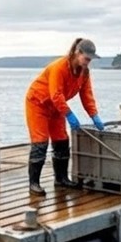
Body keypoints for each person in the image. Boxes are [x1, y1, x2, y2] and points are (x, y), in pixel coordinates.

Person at [24, 37, 105, 195]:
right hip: (38, 103)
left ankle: (61, 179)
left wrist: (94, 115)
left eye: (90, 60)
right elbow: (56, 94)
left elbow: (87, 95)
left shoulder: (84, 72)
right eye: (86, 58)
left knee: (62, 140)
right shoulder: (59, 67)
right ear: (77, 53)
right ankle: (33, 183)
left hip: (56, 107)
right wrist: (69, 114)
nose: (88, 62)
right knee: (40, 142)